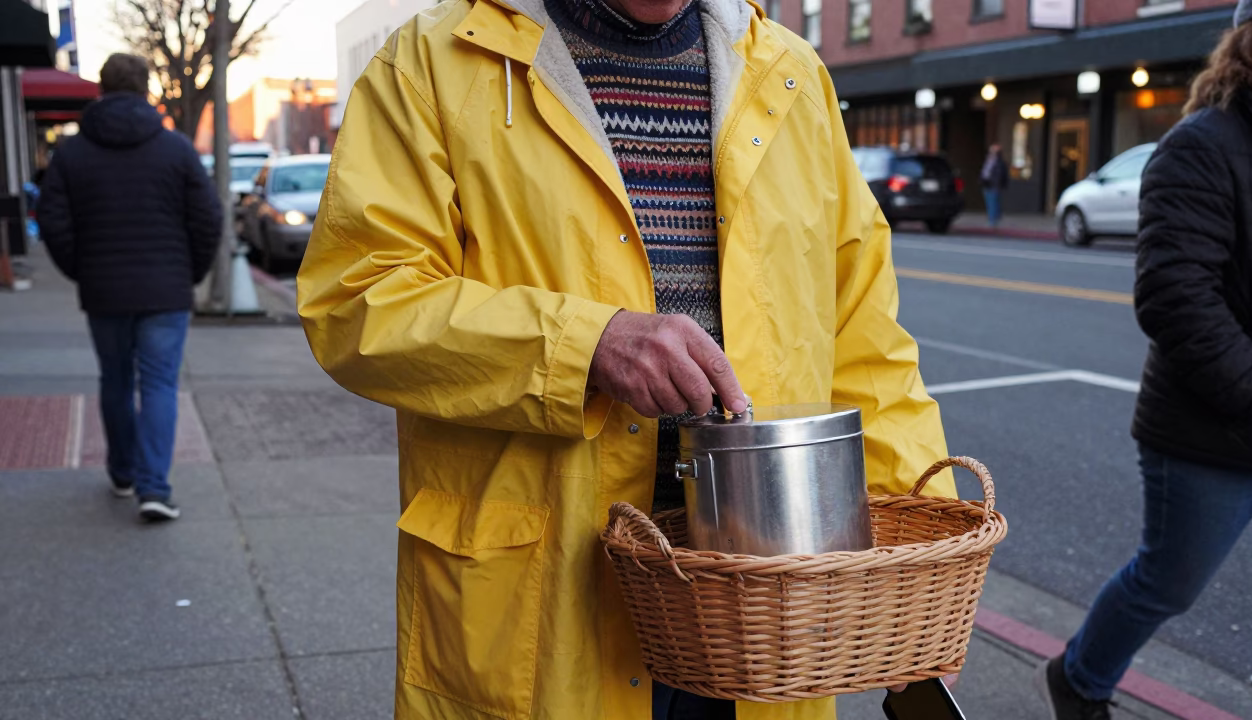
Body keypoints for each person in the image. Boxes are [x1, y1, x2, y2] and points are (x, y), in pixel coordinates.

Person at [297, 0, 954, 715]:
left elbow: (866, 343)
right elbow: (358, 299)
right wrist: (586, 346)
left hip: (760, 601)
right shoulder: (432, 61)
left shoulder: (790, 72)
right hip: (543, 601)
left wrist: (917, 574)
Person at [1038, 2, 1252, 718]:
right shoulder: (1201, 147)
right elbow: (1176, 300)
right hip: (1213, 433)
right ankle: (1079, 677)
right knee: (1167, 583)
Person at [38, 54, 221, 522]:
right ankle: (154, 487)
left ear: (101, 89)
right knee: (159, 384)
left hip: (104, 291)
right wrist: (191, 273)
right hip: (166, 290)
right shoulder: (176, 149)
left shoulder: (72, 153)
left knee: (115, 381)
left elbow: (52, 221)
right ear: (146, 90)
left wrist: (81, 269)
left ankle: (122, 471)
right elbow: (208, 219)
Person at [980, 143, 1009, 228]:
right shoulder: (988, 160)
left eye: (994, 151)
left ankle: (993, 220)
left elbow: (1001, 175)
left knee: (994, 203)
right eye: (991, 150)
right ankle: (993, 218)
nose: (991, 152)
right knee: (989, 202)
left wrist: (999, 184)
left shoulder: (1000, 162)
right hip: (987, 184)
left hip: (994, 185)